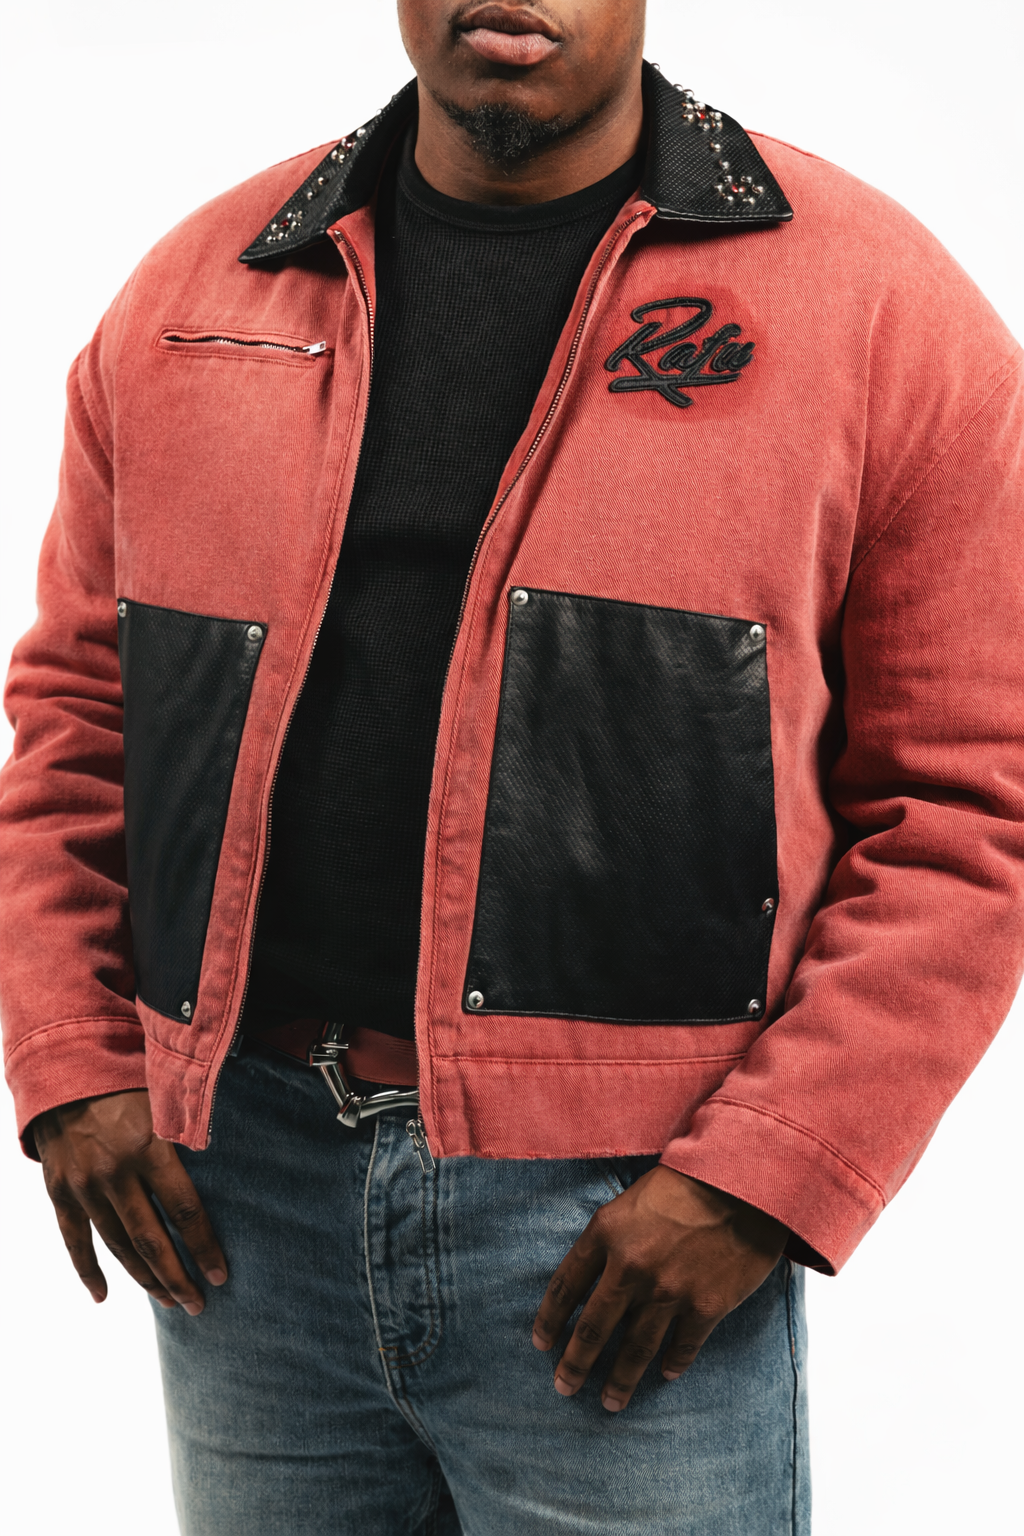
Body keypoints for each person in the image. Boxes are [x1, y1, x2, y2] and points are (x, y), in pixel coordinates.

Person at [2, 0, 1022, 1530]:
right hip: (240, 1204)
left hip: (628, 1223)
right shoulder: (197, 290)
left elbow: (970, 802)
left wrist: (765, 1176)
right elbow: (82, 715)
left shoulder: (876, 308)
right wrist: (70, 1062)